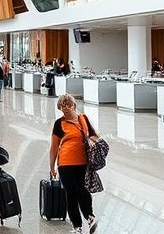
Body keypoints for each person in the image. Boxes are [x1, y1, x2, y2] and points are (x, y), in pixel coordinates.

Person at [49, 94, 99, 234]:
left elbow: (94, 135)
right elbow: (54, 146)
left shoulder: (83, 119)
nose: (65, 108)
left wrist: (94, 142)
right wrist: (51, 166)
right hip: (65, 164)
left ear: (73, 105)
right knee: (71, 194)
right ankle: (76, 225)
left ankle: (89, 217)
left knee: (83, 190)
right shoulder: (59, 124)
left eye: (67, 105)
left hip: (82, 162)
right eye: (62, 106)